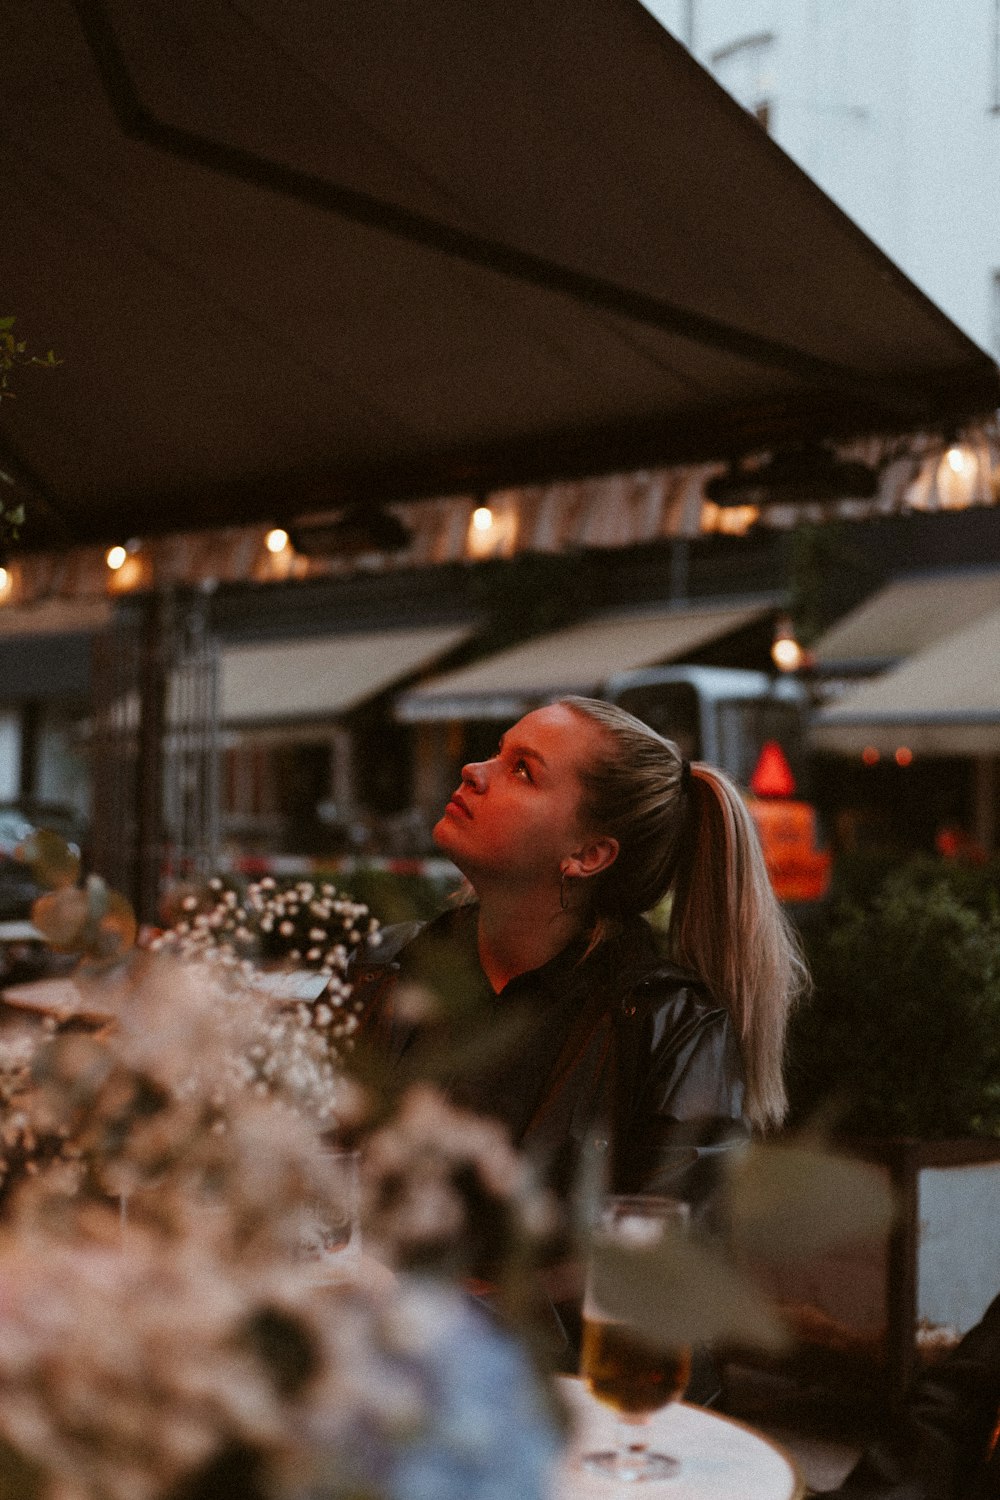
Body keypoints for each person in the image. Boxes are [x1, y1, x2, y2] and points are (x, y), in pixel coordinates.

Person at [353, 696, 806, 1208]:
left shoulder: (668, 1029)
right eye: (498, 753)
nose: (473, 770)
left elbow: (666, 1260)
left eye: (522, 771)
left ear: (588, 855)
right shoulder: (383, 967)